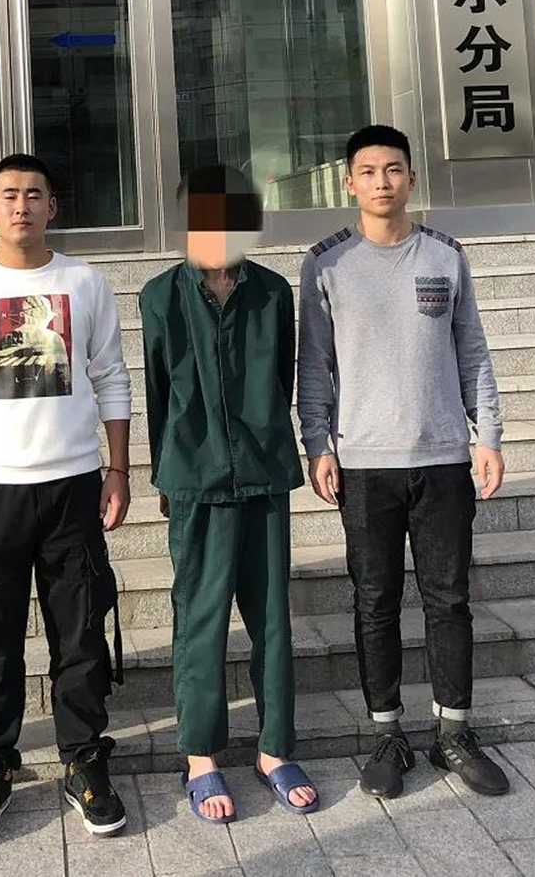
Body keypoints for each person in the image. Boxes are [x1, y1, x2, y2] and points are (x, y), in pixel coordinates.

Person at [0, 154, 131, 845]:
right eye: (9, 195)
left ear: (52, 207)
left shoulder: (85, 282)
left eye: (34, 194)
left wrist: (119, 468)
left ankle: (84, 759)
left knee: (80, 632)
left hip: (74, 484)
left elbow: (112, 375)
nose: (22, 206)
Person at [297, 123, 509, 800]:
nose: (382, 181)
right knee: (375, 601)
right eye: (368, 171)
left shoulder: (445, 255)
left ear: (411, 178)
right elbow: (314, 364)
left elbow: (472, 350)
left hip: (443, 456)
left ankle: (454, 733)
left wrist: (488, 435)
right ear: (349, 183)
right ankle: (387, 734)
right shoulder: (326, 264)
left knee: (449, 599)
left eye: (393, 169)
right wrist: (317, 443)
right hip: (364, 464)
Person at [139, 165, 318, 824]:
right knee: (201, 617)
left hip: (264, 470)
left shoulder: (272, 292)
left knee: (271, 616)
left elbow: (282, 379)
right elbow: (158, 391)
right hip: (196, 478)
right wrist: (166, 472)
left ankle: (274, 749)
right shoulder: (161, 296)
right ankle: (201, 756)